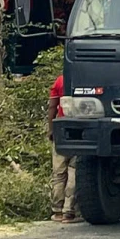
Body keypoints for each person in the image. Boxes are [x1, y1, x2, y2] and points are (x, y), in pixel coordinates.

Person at [48, 69, 73, 222]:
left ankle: (57, 210)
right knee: (74, 171)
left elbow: (52, 106)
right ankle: (69, 211)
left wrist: (51, 129)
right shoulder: (86, 79)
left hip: (61, 129)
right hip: (80, 130)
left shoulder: (59, 81)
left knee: (58, 173)